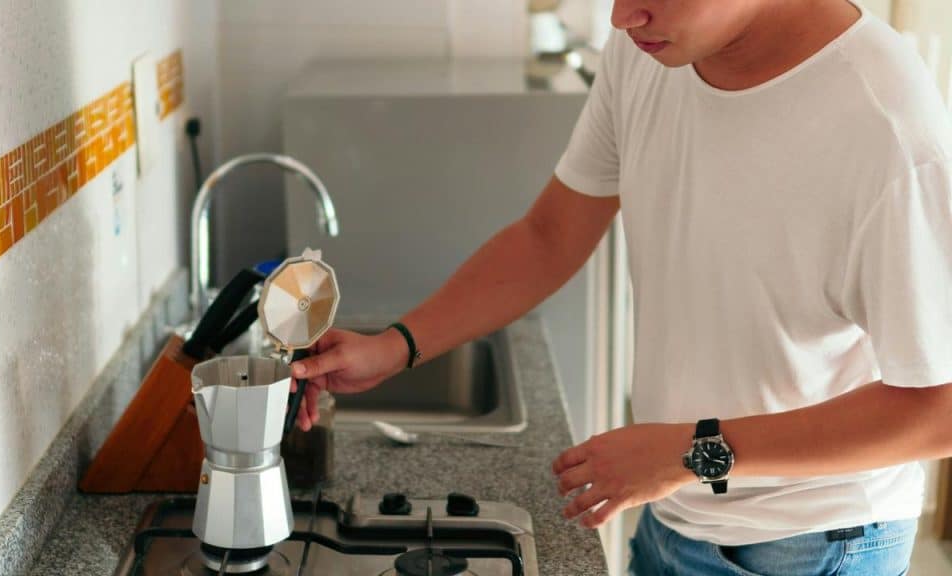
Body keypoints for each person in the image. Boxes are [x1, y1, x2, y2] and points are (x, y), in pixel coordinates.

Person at [288, 0, 952, 573]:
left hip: (813, 543)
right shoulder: (651, 48)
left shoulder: (887, 127)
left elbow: (940, 409)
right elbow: (550, 235)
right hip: (673, 506)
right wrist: (393, 348)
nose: (620, 15)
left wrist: (691, 452)